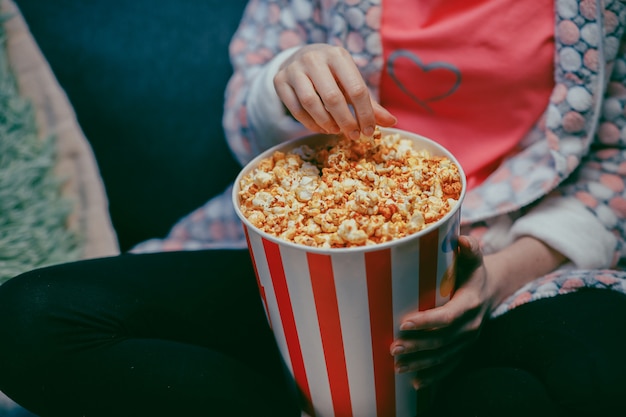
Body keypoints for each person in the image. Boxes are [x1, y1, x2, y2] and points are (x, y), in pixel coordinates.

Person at [1, 0, 626, 416]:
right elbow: (245, 112)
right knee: (30, 322)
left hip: (512, 261)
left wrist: (492, 284)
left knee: (578, 376)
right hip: (302, 258)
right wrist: (286, 80)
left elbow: (613, 164)